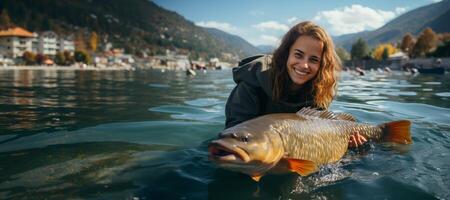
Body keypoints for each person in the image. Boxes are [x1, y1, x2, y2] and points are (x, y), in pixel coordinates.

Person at [224, 21, 366, 147]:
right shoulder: (251, 83)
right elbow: (233, 135)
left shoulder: (320, 91)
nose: (304, 65)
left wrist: (345, 145)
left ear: (322, 65)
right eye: (298, 55)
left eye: (314, 60)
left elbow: (316, 143)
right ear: (286, 54)